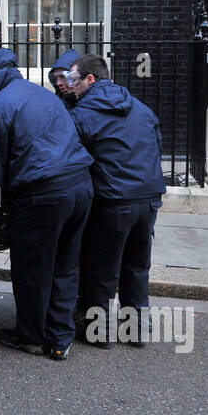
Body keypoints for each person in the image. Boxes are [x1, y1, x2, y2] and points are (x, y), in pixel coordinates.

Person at [0, 48, 94, 361]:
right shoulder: (44, 96)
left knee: (31, 270)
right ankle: (59, 340)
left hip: (43, 195)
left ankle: (29, 336)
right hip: (80, 186)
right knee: (66, 266)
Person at [69, 55, 167, 348]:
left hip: (113, 201)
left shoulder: (83, 114)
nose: (70, 86)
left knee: (102, 269)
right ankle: (136, 331)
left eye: (74, 80)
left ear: (90, 80)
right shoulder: (142, 109)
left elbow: (75, 160)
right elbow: (157, 148)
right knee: (137, 267)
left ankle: (99, 333)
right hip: (148, 199)